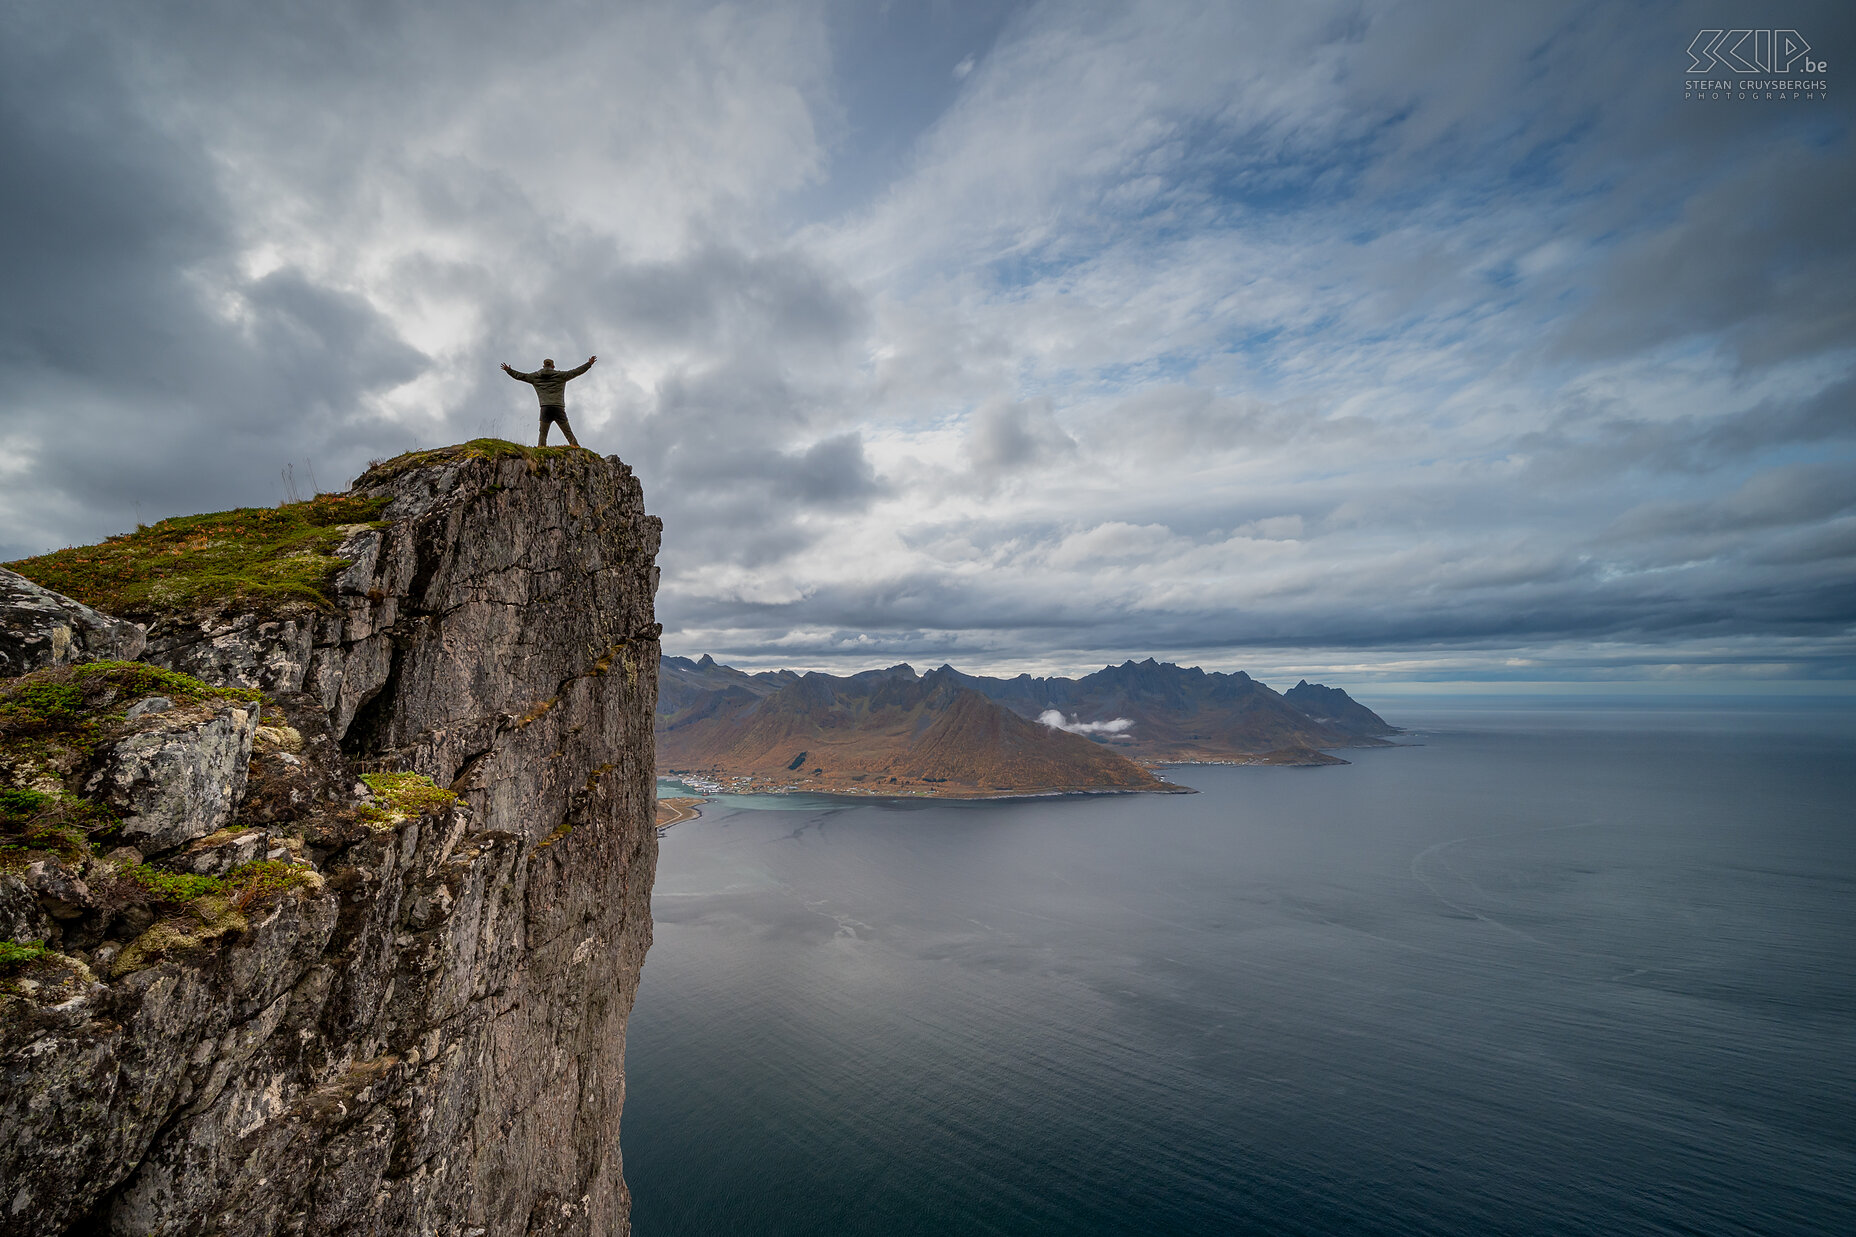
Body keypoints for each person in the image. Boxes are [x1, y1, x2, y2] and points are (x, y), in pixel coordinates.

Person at [501, 355, 596, 446]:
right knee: (567, 432)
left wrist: (508, 370)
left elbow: (520, 376)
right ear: (553, 366)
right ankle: (575, 447)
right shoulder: (561, 375)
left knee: (543, 433)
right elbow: (576, 372)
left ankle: (541, 449)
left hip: (545, 408)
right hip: (558, 408)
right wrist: (589, 364)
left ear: (543, 366)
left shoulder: (535, 377)